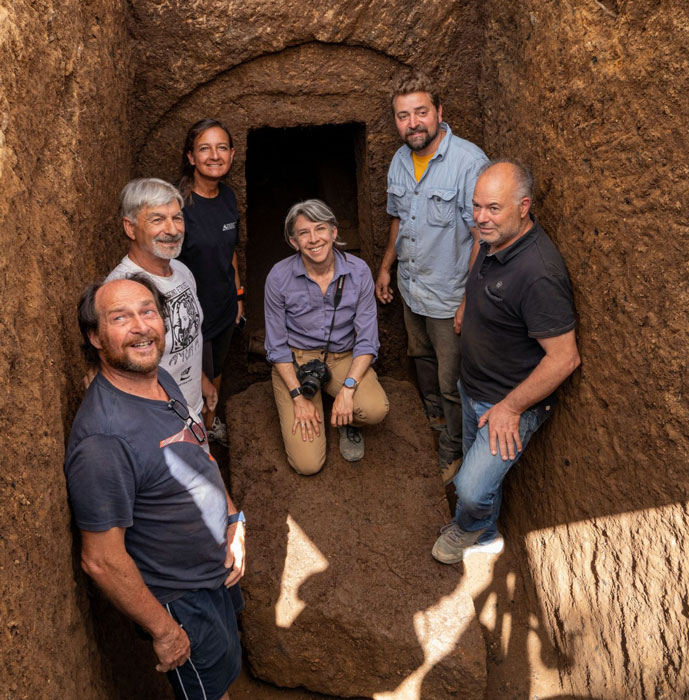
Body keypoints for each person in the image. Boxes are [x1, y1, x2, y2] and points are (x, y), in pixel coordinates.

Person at [65, 276, 246, 699]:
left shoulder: (158, 377)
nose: (141, 327)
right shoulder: (104, 443)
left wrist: (234, 516)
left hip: (215, 569)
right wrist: (165, 631)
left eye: (147, 312)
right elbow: (101, 560)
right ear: (94, 336)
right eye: (120, 318)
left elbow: (199, 450)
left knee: (225, 665)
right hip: (181, 601)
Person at [431, 161, 581, 564]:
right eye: (477, 206)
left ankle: (468, 526)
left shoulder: (539, 274)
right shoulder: (492, 237)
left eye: (493, 208)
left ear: (523, 207)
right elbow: (479, 261)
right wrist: (466, 302)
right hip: (474, 385)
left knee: (472, 488)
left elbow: (565, 358)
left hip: (507, 403)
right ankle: (488, 536)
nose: (480, 218)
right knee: (473, 472)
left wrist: (511, 408)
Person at [375, 71, 490, 484]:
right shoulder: (400, 160)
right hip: (413, 288)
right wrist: (387, 267)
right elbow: (398, 220)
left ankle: (452, 451)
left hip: (449, 299)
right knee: (420, 359)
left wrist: (467, 303)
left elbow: (483, 239)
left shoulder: (469, 163)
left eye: (421, 112)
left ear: (439, 112)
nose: (413, 123)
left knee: (450, 380)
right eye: (403, 116)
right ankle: (435, 423)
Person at [264, 199, 389, 475]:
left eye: (320, 229)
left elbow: (367, 340)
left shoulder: (358, 272)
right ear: (294, 242)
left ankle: (348, 421)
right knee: (307, 464)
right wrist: (298, 397)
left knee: (374, 408)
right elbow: (276, 346)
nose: (313, 239)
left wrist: (347, 389)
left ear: (333, 232)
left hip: (343, 357)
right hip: (297, 361)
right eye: (303, 233)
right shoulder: (279, 277)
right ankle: (315, 401)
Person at [105, 177, 216, 423]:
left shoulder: (181, 270)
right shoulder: (122, 291)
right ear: (130, 228)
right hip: (158, 422)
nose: (173, 230)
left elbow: (188, 341)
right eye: (157, 219)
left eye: (177, 218)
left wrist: (201, 382)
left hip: (190, 411)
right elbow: (119, 373)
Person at [177, 118, 244, 444]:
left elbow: (230, 251)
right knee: (194, 382)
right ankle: (198, 437)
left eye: (221, 148)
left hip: (224, 307)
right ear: (191, 157)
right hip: (191, 321)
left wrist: (239, 294)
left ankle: (211, 422)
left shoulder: (228, 197)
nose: (214, 155)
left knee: (216, 372)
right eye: (205, 148)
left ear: (232, 155)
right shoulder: (179, 209)